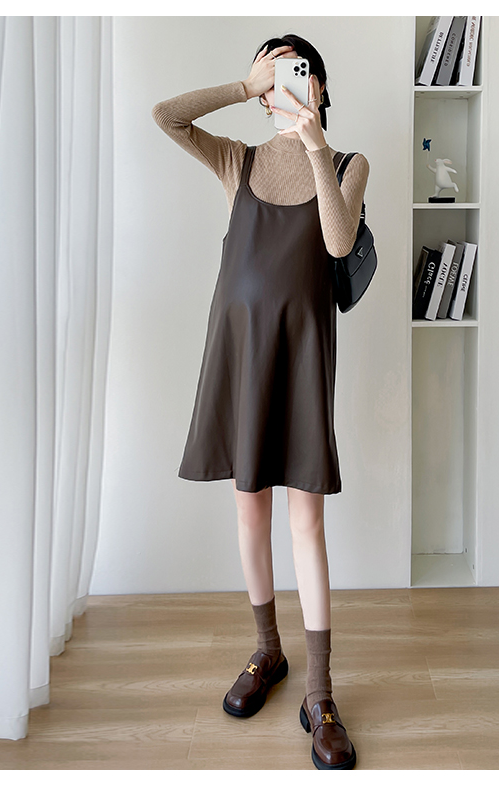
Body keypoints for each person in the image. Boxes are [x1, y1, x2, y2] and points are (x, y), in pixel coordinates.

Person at [152, 34, 369, 770]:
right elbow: (166, 115)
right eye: (272, 71)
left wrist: (314, 144)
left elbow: (337, 243)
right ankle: (267, 649)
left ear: (320, 86)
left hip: (301, 356)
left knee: (305, 519)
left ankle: (320, 692)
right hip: (241, 353)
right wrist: (242, 87)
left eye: (294, 70)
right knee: (250, 507)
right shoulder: (237, 161)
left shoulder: (347, 163)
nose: (283, 81)